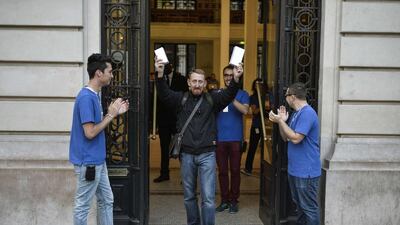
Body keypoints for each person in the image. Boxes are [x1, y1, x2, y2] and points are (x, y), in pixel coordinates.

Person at [154, 58, 243, 225]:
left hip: (207, 155)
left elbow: (229, 94)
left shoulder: (212, 99)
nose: (197, 84)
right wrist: (160, 75)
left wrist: (236, 80)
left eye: (200, 82)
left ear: (205, 84)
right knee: (189, 197)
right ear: (189, 82)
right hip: (186, 155)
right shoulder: (181, 99)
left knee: (208, 199)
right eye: (194, 81)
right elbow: (164, 94)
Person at [69, 53, 129, 225]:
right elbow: (89, 132)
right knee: (83, 206)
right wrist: (111, 115)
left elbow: (97, 126)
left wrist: (115, 113)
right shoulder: (87, 98)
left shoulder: (94, 95)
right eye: (110, 71)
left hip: (97, 161)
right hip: (89, 163)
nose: (112, 74)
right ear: (98, 73)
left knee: (107, 200)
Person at [269, 82, 321, 225]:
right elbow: (286, 137)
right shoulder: (296, 114)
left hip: (306, 172)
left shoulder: (308, 113)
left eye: (286, 96)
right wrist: (282, 122)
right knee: (301, 208)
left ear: (292, 97)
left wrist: (280, 121)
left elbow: (297, 138)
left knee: (309, 209)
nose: (285, 98)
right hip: (297, 171)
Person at [215, 65, 249, 214]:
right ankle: (224, 201)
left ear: (236, 75)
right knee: (222, 171)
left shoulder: (243, 94)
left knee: (235, 171)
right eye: (226, 75)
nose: (228, 77)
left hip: (236, 139)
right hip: (220, 139)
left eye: (231, 75)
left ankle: (234, 201)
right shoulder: (218, 94)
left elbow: (245, 110)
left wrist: (231, 96)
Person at [154, 63, 188, 183]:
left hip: (178, 119)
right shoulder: (159, 79)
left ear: (172, 67)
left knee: (182, 148)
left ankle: (185, 175)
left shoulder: (182, 79)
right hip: (163, 120)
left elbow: (186, 98)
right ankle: (164, 173)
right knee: (164, 147)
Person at [242, 79, 274, 176]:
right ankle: (248, 169)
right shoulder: (253, 97)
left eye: (260, 85)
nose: (259, 87)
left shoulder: (270, 96)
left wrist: (269, 105)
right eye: (257, 85)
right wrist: (263, 105)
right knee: (252, 147)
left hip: (269, 125)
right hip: (256, 125)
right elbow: (254, 112)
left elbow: (272, 107)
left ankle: (272, 170)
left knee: (270, 148)